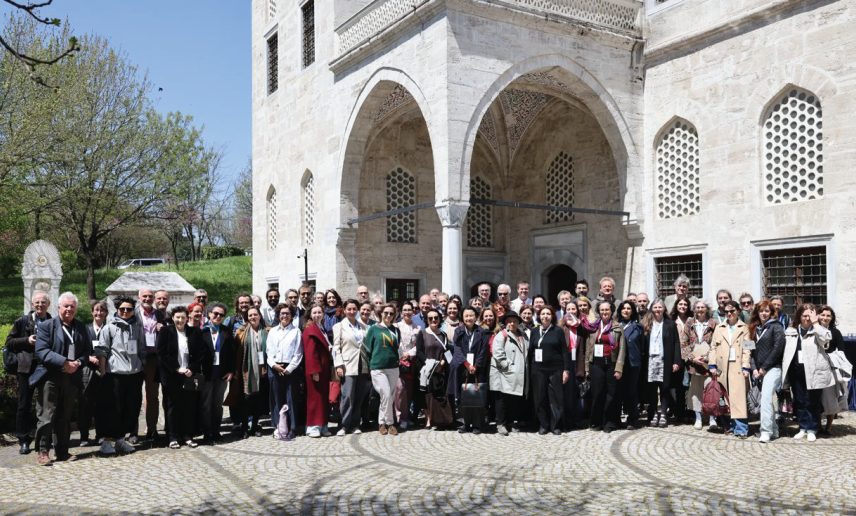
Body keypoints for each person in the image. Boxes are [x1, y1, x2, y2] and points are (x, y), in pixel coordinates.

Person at [29, 292, 91, 465]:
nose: (69, 309)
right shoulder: (46, 326)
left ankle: (62, 451)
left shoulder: (81, 327)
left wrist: (78, 363)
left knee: (65, 415)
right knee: (47, 414)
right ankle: (43, 451)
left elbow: (87, 351)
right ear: (58, 308)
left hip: (71, 377)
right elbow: (41, 350)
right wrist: (64, 362)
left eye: (72, 306)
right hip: (51, 375)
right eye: (66, 306)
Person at [95, 296, 146, 456]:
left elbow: (142, 348)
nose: (125, 311)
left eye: (128, 309)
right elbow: (102, 351)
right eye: (122, 309)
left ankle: (120, 440)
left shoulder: (137, 327)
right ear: (117, 310)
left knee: (130, 408)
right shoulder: (109, 328)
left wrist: (141, 365)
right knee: (112, 410)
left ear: (133, 310)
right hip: (114, 374)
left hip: (134, 374)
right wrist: (103, 372)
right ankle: (106, 442)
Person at [5, 290, 51, 455]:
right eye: (37, 302)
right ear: (32, 304)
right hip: (26, 369)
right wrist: (27, 340)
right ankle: (24, 440)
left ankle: (45, 439)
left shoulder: (53, 322)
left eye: (43, 302)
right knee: (23, 406)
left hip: (46, 368)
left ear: (48, 304)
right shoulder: (22, 321)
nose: (40, 305)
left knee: (47, 406)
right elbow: (9, 342)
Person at [782, 304, 833, 442]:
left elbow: (825, 341)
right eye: (804, 316)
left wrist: (816, 323)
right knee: (799, 401)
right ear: (799, 316)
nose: (807, 319)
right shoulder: (791, 331)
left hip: (814, 372)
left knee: (812, 401)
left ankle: (812, 429)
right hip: (796, 372)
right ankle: (803, 427)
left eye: (810, 316)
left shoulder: (819, 330)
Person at [157, 306, 205, 449]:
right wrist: (176, 368)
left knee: (189, 406)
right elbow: (161, 352)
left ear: (187, 318)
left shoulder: (195, 332)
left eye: (183, 317)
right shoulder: (166, 331)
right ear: (173, 318)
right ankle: (173, 437)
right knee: (172, 407)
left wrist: (192, 368)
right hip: (172, 374)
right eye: (177, 317)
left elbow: (201, 353)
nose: (180, 320)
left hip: (189, 375)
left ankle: (188, 436)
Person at [708, 300, 752, 438]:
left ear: (738, 311)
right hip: (722, 368)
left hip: (737, 367)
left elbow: (748, 349)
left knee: (738, 398)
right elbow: (713, 347)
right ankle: (728, 426)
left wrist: (746, 366)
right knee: (723, 398)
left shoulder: (745, 327)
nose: (729, 314)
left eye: (732, 311)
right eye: (726, 311)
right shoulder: (719, 327)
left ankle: (741, 428)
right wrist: (712, 364)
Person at [583, 301, 626, 433]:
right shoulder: (593, 327)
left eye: (607, 309)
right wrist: (587, 367)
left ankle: (609, 423)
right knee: (598, 393)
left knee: (611, 394)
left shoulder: (618, 327)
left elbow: (622, 349)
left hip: (611, 363)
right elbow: (588, 347)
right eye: (602, 310)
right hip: (596, 364)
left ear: (611, 311)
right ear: (599, 311)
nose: (604, 312)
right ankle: (596, 422)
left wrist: (619, 368)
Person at [747, 300, 785, 442]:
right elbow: (749, 350)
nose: (764, 313)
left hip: (773, 368)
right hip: (758, 370)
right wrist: (754, 368)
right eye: (761, 311)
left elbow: (777, 349)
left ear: (771, 312)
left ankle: (765, 431)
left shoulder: (776, 326)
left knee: (766, 398)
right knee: (767, 399)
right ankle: (774, 430)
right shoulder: (753, 328)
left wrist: (763, 368)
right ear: (757, 312)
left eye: (767, 311)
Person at [529, 306, 571, 435]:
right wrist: (531, 370)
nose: (545, 316)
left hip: (555, 369)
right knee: (540, 398)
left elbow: (564, 351)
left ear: (552, 316)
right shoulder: (534, 331)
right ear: (539, 316)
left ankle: (555, 425)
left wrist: (566, 370)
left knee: (555, 398)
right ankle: (544, 424)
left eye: (548, 314)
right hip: (538, 369)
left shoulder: (558, 331)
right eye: (543, 314)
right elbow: (531, 352)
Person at [199, 302, 237, 443]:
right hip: (206, 374)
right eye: (215, 313)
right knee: (206, 405)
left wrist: (231, 371)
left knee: (217, 405)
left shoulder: (225, 331)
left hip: (221, 374)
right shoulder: (202, 330)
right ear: (209, 314)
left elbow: (232, 353)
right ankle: (206, 433)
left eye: (221, 315)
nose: (218, 316)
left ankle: (216, 431)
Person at [333, 299, 370, 435]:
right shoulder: (339, 326)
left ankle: (355, 425)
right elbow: (336, 347)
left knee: (359, 397)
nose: (352, 311)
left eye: (354, 309)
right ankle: (343, 425)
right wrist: (339, 365)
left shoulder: (363, 326)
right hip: (347, 365)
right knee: (347, 396)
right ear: (344, 310)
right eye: (349, 309)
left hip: (362, 364)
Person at [450, 306, 490, 434]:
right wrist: (467, 364)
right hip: (463, 367)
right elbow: (457, 349)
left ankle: (478, 424)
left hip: (477, 368)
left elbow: (483, 350)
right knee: (464, 394)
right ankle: (464, 423)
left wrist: (476, 366)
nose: (469, 318)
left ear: (476, 317)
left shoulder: (481, 332)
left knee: (476, 394)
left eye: (471, 315)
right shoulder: (459, 331)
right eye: (466, 316)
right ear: (462, 317)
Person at [490, 311, 530, 436]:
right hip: (504, 373)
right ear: (505, 323)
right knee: (502, 399)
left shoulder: (523, 335)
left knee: (514, 400)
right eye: (509, 321)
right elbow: (498, 354)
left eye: (515, 321)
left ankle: (511, 422)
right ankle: (500, 423)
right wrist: (509, 367)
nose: (512, 324)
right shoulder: (501, 335)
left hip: (518, 373)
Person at [643, 299, 681, 428]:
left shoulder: (670, 324)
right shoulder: (646, 323)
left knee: (665, 388)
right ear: (651, 309)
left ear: (664, 309)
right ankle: (654, 413)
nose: (657, 310)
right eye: (655, 307)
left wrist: (676, 361)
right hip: (650, 360)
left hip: (665, 359)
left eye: (660, 307)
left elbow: (676, 343)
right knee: (652, 389)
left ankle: (663, 413)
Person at [267, 304, 302, 440]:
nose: (285, 316)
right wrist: (274, 365)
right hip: (275, 367)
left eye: (287, 313)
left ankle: (292, 427)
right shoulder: (273, 331)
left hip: (290, 369)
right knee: (276, 398)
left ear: (291, 316)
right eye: (282, 313)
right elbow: (268, 351)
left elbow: (298, 352)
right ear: (278, 315)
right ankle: (278, 426)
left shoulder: (296, 331)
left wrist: (290, 368)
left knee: (291, 398)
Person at [364, 303, 401, 435]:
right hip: (378, 367)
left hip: (393, 367)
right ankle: (389, 423)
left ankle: (383, 422)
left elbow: (396, 348)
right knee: (385, 394)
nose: (388, 315)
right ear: (381, 314)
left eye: (391, 313)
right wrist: (369, 367)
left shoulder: (396, 330)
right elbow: (368, 350)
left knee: (390, 396)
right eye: (386, 313)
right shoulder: (373, 329)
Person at [233, 306, 269, 438]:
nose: (253, 317)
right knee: (246, 400)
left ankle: (255, 426)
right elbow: (236, 350)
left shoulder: (267, 331)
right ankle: (244, 427)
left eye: (255, 314)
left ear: (260, 316)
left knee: (258, 401)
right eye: (250, 315)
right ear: (247, 318)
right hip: (246, 371)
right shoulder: (241, 331)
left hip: (262, 371)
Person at [681, 300, 717, 430]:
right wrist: (692, 358)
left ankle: (712, 418)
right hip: (694, 364)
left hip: (709, 363)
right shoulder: (690, 322)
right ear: (694, 309)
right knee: (695, 392)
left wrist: (708, 357)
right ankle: (698, 418)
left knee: (711, 391)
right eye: (698, 307)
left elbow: (716, 343)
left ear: (707, 309)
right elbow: (684, 343)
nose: (700, 309)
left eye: (702, 307)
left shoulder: (714, 323)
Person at [415, 309, 454, 429]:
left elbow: (447, 351)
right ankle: (428, 419)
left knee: (438, 394)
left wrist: (442, 363)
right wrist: (428, 363)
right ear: (427, 320)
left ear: (439, 319)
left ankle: (438, 418)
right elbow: (419, 351)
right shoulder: (422, 333)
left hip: (439, 369)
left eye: (436, 318)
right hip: (426, 369)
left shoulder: (443, 335)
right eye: (430, 318)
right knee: (426, 394)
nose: (433, 320)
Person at [135, 287, 164, 443]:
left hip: (154, 359)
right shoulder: (133, 313)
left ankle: (152, 429)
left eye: (150, 296)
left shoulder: (160, 314)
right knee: (134, 395)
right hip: (136, 358)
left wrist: (163, 329)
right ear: (139, 298)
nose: (147, 299)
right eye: (144, 296)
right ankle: (133, 431)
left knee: (152, 396)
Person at [78, 299, 107, 447]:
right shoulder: (85, 330)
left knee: (102, 404)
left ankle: (101, 435)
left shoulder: (109, 329)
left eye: (102, 310)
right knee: (85, 404)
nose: (99, 313)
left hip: (104, 371)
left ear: (106, 313)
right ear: (91, 312)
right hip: (87, 371)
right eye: (96, 310)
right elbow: (78, 348)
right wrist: (89, 358)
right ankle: (84, 436)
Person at [303, 305, 333, 437]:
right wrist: (314, 371)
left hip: (323, 369)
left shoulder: (321, 328)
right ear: (310, 314)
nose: (317, 315)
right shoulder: (310, 329)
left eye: (319, 312)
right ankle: (313, 427)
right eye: (314, 313)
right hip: (315, 369)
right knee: (315, 398)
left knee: (323, 398)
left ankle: (323, 425)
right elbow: (310, 352)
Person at [817, 305, 847, 433]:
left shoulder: (835, 332)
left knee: (831, 397)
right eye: (822, 315)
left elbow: (841, 350)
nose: (825, 317)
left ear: (832, 317)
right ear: (817, 316)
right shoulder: (813, 330)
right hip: (815, 368)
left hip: (830, 369)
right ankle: (817, 425)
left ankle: (828, 426)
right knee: (816, 398)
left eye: (828, 315)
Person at [616, 300, 643, 430]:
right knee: (618, 391)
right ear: (620, 311)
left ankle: (632, 418)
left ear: (632, 311)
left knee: (632, 391)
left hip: (633, 364)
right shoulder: (615, 326)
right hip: (618, 364)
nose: (626, 310)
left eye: (628, 308)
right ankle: (616, 418)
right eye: (623, 308)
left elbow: (642, 346)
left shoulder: (638, 327)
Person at [394, 301, 420, 430]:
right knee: (400, 389)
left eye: (409, 310)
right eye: (405, 310)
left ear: (413, 312)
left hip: (411, 362)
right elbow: (394, 343)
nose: (407, 312)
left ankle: (406, 416)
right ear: (401, 312)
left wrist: (409, 354)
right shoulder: (396, 326)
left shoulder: (417, 328)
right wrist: (401, 354)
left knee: (409, 390)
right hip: (398, 361)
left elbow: (418, 345)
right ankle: (399, 417)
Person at [560, 302, 585, 430]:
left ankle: (577, 419)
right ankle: (567, 420)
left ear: (577, 311)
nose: (571, 311)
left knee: (578, 390)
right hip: (566, 361)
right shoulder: (561, 327)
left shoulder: (581, 327)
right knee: (567, 392)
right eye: (568, 309)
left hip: (578, 361)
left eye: (573, 309)